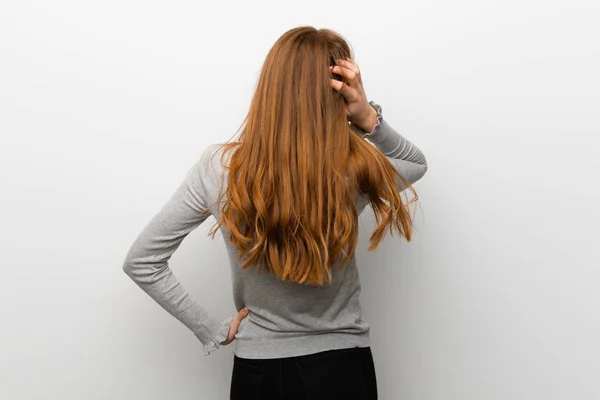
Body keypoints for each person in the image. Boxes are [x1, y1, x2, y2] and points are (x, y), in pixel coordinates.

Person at [122, 26, 428, 400]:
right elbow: (415, 162)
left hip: (259, 373)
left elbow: (142, 261)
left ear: (269, 89)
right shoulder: (353, 168)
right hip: (342, 368)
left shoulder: (219, 167)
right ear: (335, 97)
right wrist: (367, 116)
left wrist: (213, 330)